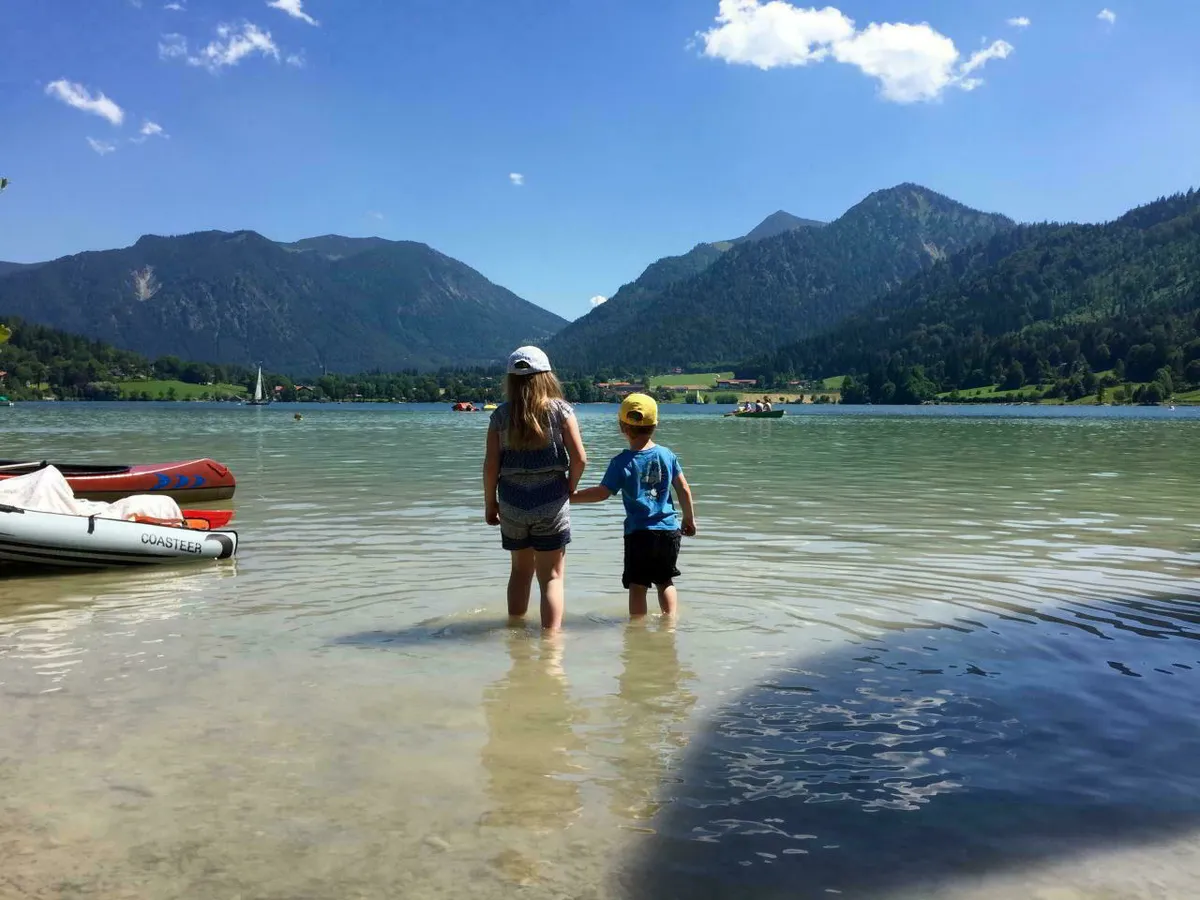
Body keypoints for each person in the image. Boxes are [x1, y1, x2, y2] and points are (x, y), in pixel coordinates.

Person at [483, 346, 586, 630]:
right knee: (551, 577)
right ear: (547, 376)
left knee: (519, 571)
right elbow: (580, 458)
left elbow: (491, 465)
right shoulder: (561, 411)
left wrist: (490, 503)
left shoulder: (500, 416)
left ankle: (515, 635)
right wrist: (570, 488)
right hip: (551, 500)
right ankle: (551, 643)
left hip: (512, 502)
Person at [570, 393, 696, 617]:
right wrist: (688, 519)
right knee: (665, 580)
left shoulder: (621, 462)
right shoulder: (667, 455)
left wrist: (570, 497)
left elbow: (602, 493)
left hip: (639, 533)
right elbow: (684, 489)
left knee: (638, 585)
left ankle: (637, 628)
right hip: (668, 530)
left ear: (622, 427)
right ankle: (670, 623)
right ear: (655, 425)